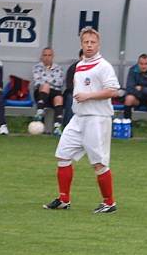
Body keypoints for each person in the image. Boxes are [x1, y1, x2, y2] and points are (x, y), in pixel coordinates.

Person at [43, 26, 120, 214]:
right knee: (63, 155)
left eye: (93, 42)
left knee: (98, 163)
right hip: (79, 118)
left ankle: (109, 203)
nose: (89, 45)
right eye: (86, 42)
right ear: (81, 44)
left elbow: (113, 90)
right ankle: (63, 199)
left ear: (98, 44)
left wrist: (89, 96)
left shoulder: (104, 66)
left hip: (97, 118)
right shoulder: (79, 65)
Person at [123, 53, 147, 138]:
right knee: (128, 98)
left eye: (146, 64)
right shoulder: (132, 70)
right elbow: (129, 88)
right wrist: (142, 91)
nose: (143, 66)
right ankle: (128, 128)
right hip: (137, 98)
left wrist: (142, 88)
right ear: (138, 63)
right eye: (141, 64)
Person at [32, 47, 65, 134]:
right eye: (45, 55)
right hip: (40, 92)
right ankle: (40, 112)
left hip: (54, 92)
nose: (47, 57)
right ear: (41, 56)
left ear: (53, 56)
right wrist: (50, 81)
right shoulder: (37, 67)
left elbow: (59, 82)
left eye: (49, 55)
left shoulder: (58, 68)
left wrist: (46, 80)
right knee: (45, 86)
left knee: (59, 98)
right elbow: (37, 81)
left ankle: (57, 127)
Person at [62, 49, 83, 129]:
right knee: (71, 99)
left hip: (90, 94)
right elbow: (69, 85)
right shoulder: (73, 68)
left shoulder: (96, 68)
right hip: (74, 92)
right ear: (80, 57)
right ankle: (68, 126)